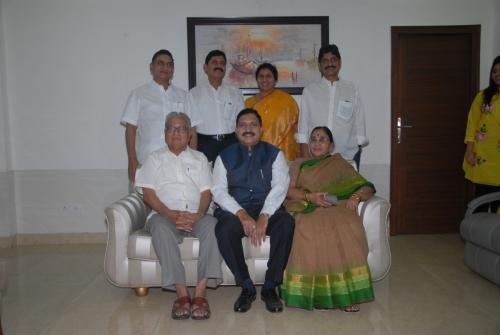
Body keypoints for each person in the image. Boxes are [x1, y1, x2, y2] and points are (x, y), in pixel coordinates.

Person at [135, 112, 222, 320]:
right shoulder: (154, 159)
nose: (176, 133)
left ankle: (200, 294)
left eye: (182, 128)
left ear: (189, 135)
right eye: (171, 128)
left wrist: (198, 214)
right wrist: (170, 214)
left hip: (196, 214)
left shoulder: (200, 158)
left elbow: (206, 192)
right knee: (160, 228)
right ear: (165, 133)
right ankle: (182, 295)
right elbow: (148, 193)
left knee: (214, 227)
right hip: (164, 214)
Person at [280, 126, 375, 312]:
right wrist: (310, 197)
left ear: (331, 146)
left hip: (336, 205)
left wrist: (356, 197)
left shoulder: (338, 163)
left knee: (346, 227)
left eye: (322, 139)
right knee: (308, 229)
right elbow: (289, 192)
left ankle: (346, 295)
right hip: (306, 205)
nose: (317, 143)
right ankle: (316, 295)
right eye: (313, 139)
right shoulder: (298, 164)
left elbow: (364, 186)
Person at [212, 108, 294, 313]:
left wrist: (265, 215)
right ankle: (246, 286)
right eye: (243, 125)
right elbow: (219, 192)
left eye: (253, 125)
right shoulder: (223, 156)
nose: (248, 129)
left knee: (286, 223)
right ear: (235, 129)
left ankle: (269, 287)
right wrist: (241, 214)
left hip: (267, 206)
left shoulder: (275, 154)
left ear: (261, 129)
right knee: (224, 228)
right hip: (234, 210)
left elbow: (280, 187)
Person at [296, 44, 368, 168]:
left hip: (348, 156)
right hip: (316, 156)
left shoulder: (352, 89)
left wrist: (359, 146)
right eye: (325, 61)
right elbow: (303, 125)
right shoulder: (310, 90)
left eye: (333, 60)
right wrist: (305, 156)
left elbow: (359, 120)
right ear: (320, 65)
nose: (330, 64)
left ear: (339, 62)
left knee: (348, 188)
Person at [121, 49, 187, 183]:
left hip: (179, 161)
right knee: (147, 202)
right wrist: (132, 160)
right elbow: (130, 129)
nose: (165, 68)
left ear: (173, 69)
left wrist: (192, 159)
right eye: (160, 63)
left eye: (169, 65)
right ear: (151, 67)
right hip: (147, 161)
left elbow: (192, 131)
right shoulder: (139, 94)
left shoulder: (184, 95)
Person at [187, 50, 244, 163]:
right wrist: (193, 157)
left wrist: (243, 150)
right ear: (205, 68)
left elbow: (241, 124)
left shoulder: (235, 93)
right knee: (206, 179)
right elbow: (192, 128)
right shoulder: (194, 93)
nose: (219, 66)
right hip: (204, 145)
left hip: (231, 143)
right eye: (214, 62)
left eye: (222, 63)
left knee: (231, 179)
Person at [463, 55, 500, 212]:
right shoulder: (483, 97)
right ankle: (478, 235)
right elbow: (472, 124)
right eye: (495, 71)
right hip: (483, 157)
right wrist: (469, 150)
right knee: (481, 202)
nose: (497, 74)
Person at [245, 63, 299, 161]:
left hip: (283, 153)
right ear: (257, 79)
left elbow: (297, 128)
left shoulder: (287, 101)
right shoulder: (249, 103)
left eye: (269, 76)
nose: (264, 80)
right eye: (261, 76)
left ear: (275, 80)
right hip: (256, 154)